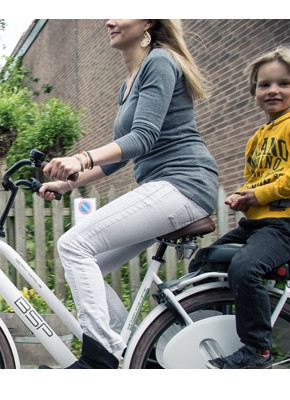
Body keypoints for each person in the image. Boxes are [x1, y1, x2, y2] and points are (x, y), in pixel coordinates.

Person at [38, 19, 218, 369]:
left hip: (184, 182)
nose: (110, 20)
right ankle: (137, 353)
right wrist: (69, 182)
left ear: (149, 21)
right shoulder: (128, 84)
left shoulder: (160, 62)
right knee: (88, 263)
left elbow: (144, 137)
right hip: (162, 186)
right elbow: (127, 152)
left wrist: (80, 157)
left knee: (74, 246)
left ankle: (100, 358)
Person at [205, 46, 290, 369]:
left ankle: (257, 351)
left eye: (284, 83)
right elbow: (259, 181)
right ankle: (203, 331)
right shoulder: (259, 137)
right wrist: (242, 195)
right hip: (258, 224)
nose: (273, 90)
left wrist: (261, 194)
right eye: (264, 85)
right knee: (204, 264)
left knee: (246, 268)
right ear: (255, 91)